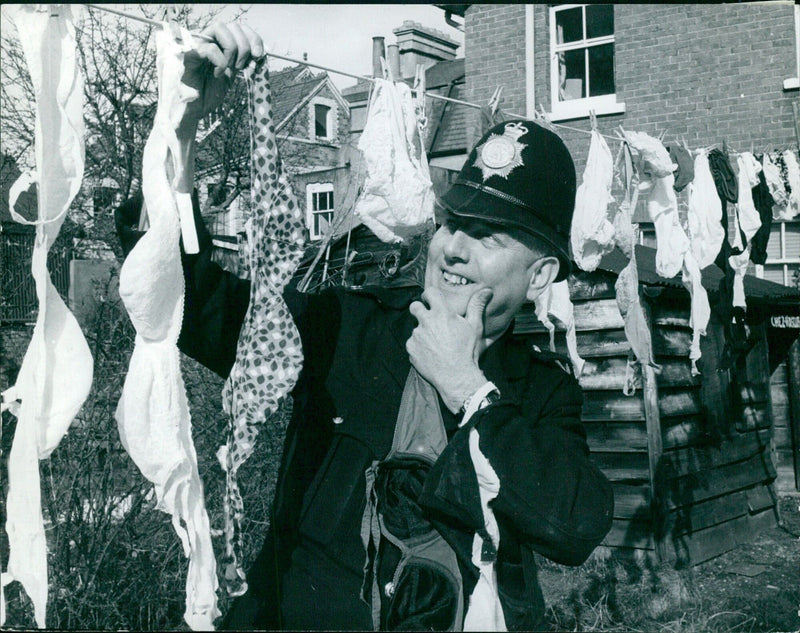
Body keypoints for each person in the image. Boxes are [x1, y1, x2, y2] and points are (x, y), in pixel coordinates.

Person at [115, 21, 613, 631]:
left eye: (486, 236)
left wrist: (466, 388)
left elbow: (575, 525)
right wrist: (183, 119)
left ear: (539, 277)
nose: (453, 248)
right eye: (454, 222)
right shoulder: (346, 329)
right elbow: (187, 304)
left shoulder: (539, 393)